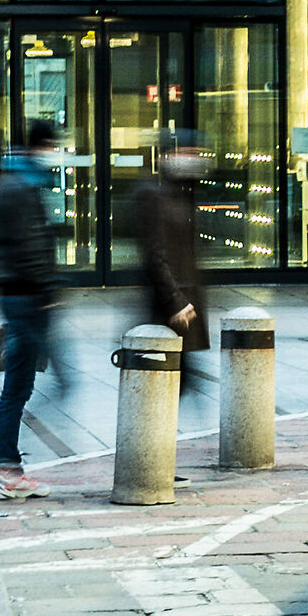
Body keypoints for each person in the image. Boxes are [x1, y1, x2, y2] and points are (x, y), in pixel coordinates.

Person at [0, 118, 75, 499]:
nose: (56, 153)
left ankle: (10, 467)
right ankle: (8, 472)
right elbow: (31, 245)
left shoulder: (11, 184)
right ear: (42, 146)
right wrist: (47, 289)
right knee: (19, 387)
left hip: (17, 295)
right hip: (27, 298)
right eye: (53, 146)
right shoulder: (23, 188)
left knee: (21, 385)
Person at [134, 131, 211, 410]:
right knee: (166, 380)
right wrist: (176, 301)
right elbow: (155, 256)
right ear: (168, 157)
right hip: (170, 306)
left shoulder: (184, 194)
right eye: (187, 153)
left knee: (179, 380)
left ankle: (170, 442)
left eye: (197, 153)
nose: (194, 160)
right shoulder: (153, 195)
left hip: (184, 304)